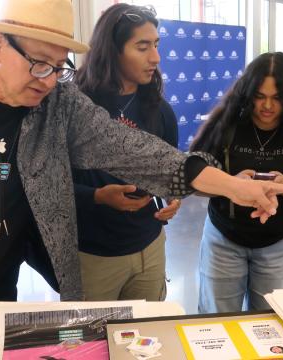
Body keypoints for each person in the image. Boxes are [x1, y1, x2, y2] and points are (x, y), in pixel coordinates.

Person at [0, 0, 283, 302]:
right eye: (40, 64)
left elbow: (138, 152)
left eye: (60, 67)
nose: (48, 80)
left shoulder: (59, 105)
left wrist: (233, 187)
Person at [191, 52, 283, 313]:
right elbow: (195, 184)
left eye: (277, 98)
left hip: (277, 246)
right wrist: (230, 184)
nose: (267, 106)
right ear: (248, 93)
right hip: (223, 241)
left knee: (268, 326)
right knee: (216, 323)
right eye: (259, 96)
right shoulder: (226, 126)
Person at [72, 4, 178, 301]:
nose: (155, 58)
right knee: (90, 343)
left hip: (150, 247)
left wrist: (173, 198)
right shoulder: (76, 107)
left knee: (147, 340)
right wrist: (97, 196)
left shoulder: (160, 111)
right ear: (112, 50)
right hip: (93, 255)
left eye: (156, 45)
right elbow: (49, 184)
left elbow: (170, 174)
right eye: (142, 47)